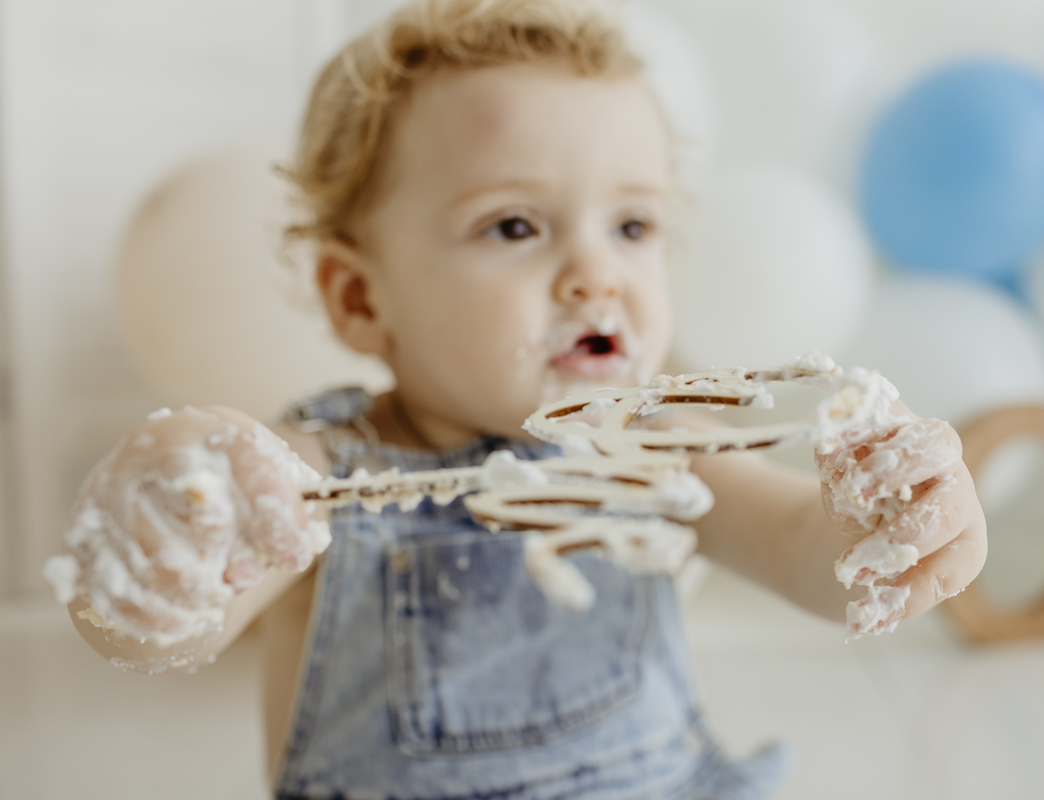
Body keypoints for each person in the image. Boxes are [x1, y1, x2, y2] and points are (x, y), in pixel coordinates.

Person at [47, 1, 987, 797]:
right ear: (363, 297)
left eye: (632, 224)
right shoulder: (315, 474)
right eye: (515, 225)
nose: (596, 274)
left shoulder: (659, 445)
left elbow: (806, 557)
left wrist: (894, 531)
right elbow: (152, 626)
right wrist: (163, 541)